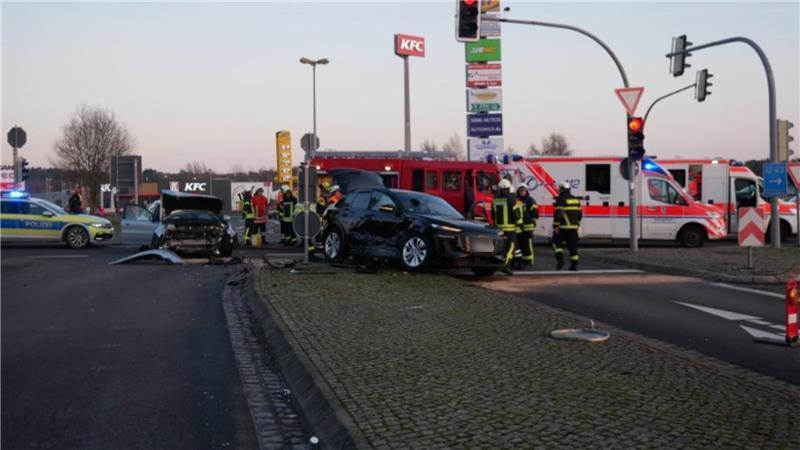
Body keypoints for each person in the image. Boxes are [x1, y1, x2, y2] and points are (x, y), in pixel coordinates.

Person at [492, 179, 521, 275]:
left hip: (499, 228)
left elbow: (493, 213)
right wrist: (519, 222)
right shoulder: (511, 198)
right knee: (512, 246)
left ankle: (500, 264)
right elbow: (516, 213)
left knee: (502, 247)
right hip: (510, 228)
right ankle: (506, 264)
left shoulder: (495, 198)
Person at [552, 181, 583, 271]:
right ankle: (574, 266)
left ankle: (560, 260)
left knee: (555, 243)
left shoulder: (561, 199)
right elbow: (580, 214)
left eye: (559, 189)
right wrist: (577, 224)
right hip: (573, 228)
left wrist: (555, 226)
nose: (558, 191)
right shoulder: (576, 199)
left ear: (562, 189)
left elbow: (559, 214)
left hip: (562, 227)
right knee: (573, 247)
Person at [514, 183, 538, 269]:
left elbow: (535, 212)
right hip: (519, 226)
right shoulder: (515, 200)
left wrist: (533, 220)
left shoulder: (530, 200)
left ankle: (529, 260)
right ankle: (522, 260)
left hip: (528, 225)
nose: (522, 192)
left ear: (526, 191)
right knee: (520, 243)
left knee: (528, 244)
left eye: (523, 190)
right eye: (520, 190)